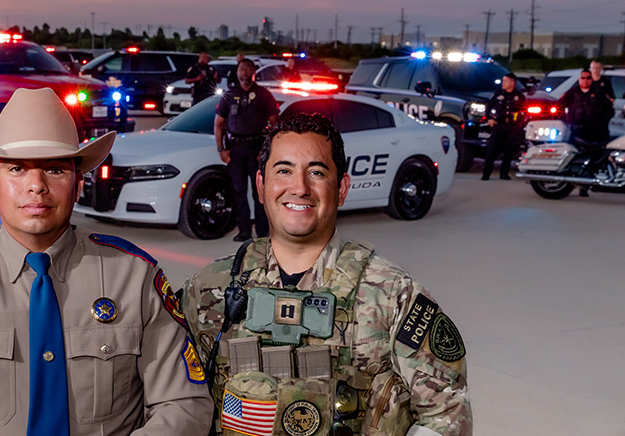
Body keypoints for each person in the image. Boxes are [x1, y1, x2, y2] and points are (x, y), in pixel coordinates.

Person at [0, 88, 212, 435]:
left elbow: (183, 405)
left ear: (78, 184)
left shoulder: (134, 277)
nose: (36, 186)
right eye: (18, 168)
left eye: (54, 170)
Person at [182, 113, 472, 436]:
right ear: (261, 186)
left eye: (316, 172)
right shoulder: (208, 289)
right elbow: (173, 401)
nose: (299, 188)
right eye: (284, 171)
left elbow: (446, 415)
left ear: (342, 188)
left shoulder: (392, 295)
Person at [215, 58, 279, 242]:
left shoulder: (263, 95)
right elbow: (218, 124)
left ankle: (262, 231)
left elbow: (276, 124)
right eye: (241, 69)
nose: (244, 72)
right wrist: (221, 149)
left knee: (259, 191)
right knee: (238, 191)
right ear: (237, 72)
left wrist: (267, 151)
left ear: (254, 72)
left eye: (248, 69)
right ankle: (244, 231)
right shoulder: (229, 95)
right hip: (235, 149)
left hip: (256, 149)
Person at [557, 68, 614, 197]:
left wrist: (601, 123)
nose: (586, 80)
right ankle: (571, 181)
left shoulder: (599, 92)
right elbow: (558, 106)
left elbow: (609, 111)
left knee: (596, 158)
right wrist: (565, 122)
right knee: (575, 157)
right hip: (577, 130)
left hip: (597, 132)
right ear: (579, 79)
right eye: (583, 78)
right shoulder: (572, 92)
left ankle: (586, 186)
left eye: (588, 78)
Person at [482, 72, 526, 180]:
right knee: (492, 150)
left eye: (506, 81)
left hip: (512, 127)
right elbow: (489, 106)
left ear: (512, 82)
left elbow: (525, 111)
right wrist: (490, 118)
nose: (503, 83)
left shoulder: (519, 96)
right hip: (499, 126)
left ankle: (504, 173)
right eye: (503, 81)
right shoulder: (498, 94)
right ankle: (486, 173)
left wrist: (520, 124)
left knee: (509, 152)